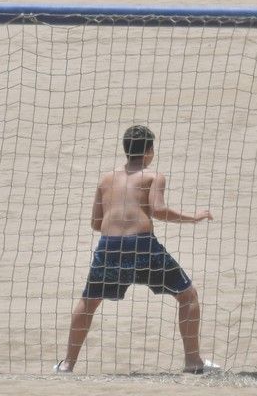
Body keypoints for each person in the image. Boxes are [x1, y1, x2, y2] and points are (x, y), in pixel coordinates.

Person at [53, 124, 218, 374]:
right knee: (187, 295)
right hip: (142, 245)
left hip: (109, 247)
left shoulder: (106, 179)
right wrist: (193, 218)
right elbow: (159, 210)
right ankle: (193, 362)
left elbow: (95, 223)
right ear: (149, 151)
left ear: (126, 149)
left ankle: (67, 365)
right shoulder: (153, 176)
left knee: (88, 302)